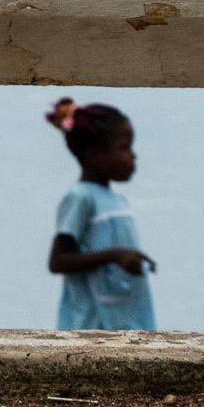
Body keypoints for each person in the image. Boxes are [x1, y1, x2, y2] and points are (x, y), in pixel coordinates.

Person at [45, 98, 156, 331]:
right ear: (95, 155)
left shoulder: (117, 201)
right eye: (124, 148)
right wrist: (116, 255)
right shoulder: (81, 197)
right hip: (91, 327)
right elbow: (58, 260)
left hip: (123, 325)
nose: (132, 156)